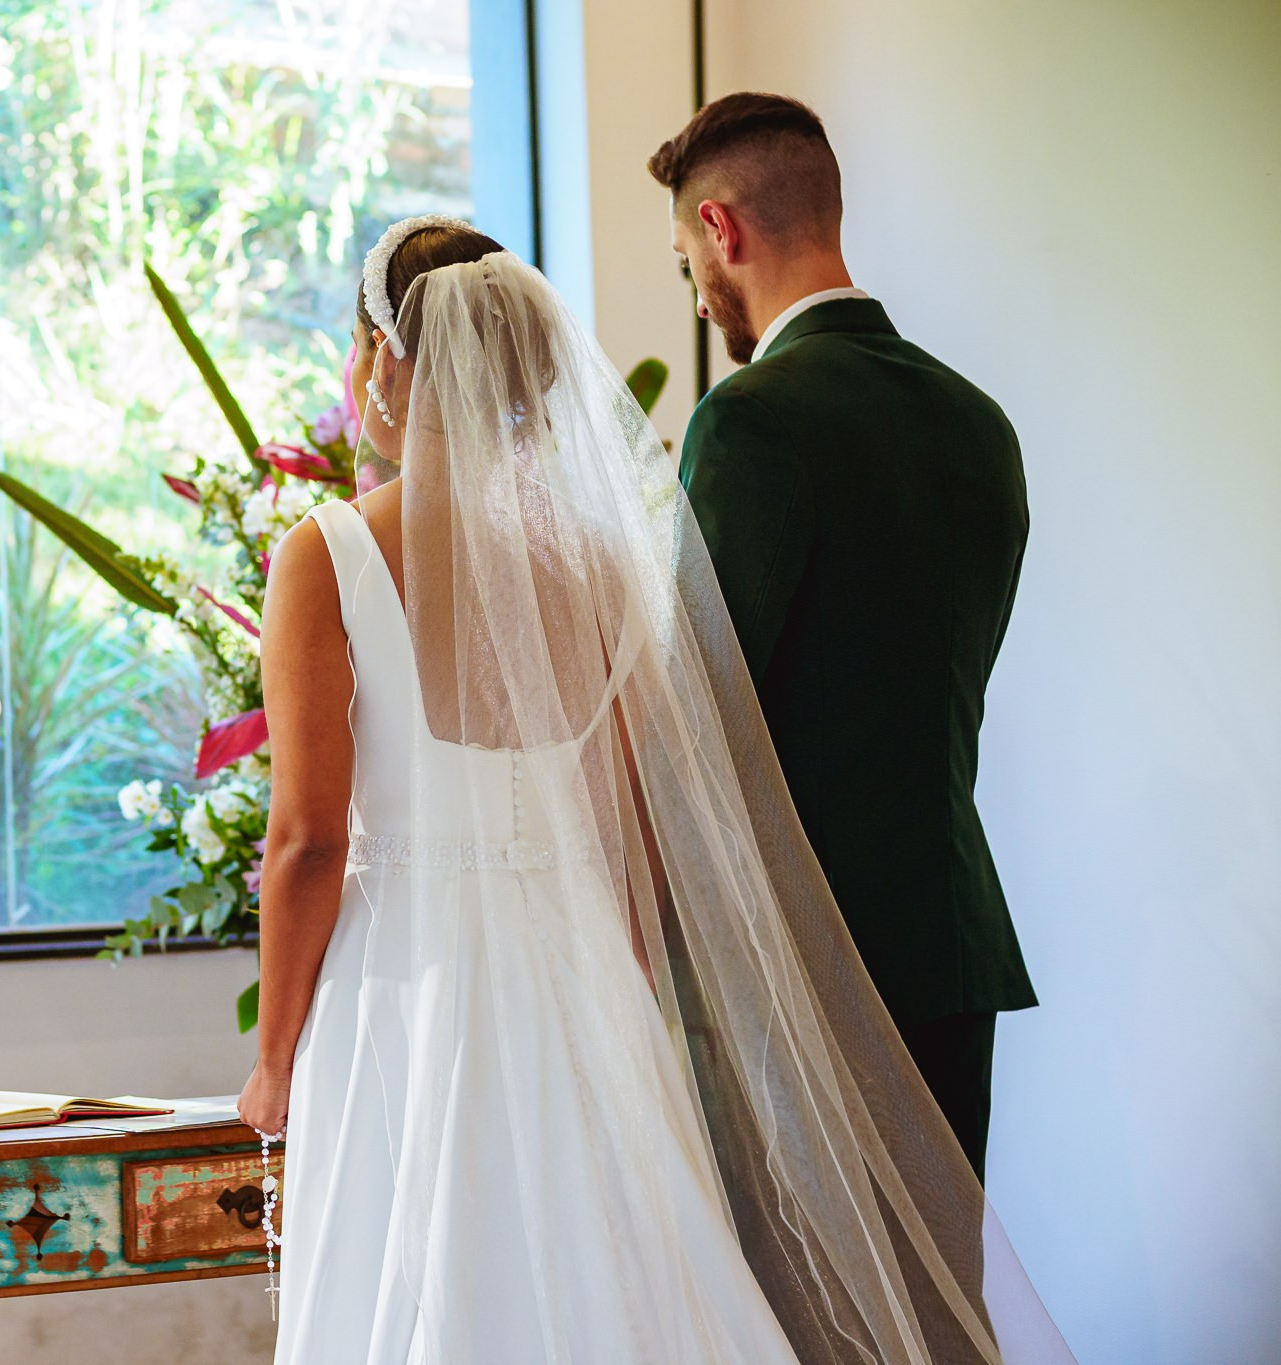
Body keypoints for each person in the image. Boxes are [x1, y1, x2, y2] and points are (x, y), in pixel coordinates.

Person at [238, 218, 1070, 1362]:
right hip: (579, 977)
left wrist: (274, 1055)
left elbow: (306, 845)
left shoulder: (324, 553)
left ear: (383, 362)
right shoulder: (594, 565)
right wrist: (624, 1011)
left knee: (420, 1282)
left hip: (403, 985)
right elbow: (621, 825)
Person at [649, 93, 1036, 1179]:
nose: (695, 290)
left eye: (685, 258)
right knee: (936, 1314)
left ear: (718, 229)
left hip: (797, 959)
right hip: (948, 948)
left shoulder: (750, 417)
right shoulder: (976, 419)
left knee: (803, 1325)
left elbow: (694, 700)